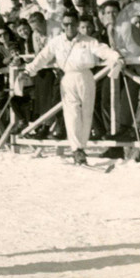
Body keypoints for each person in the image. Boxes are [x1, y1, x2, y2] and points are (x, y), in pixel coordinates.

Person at [22, 10, 123, 165]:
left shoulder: (88, 41)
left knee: (86, 113)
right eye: (66, 24)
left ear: (77, 25)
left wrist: (116, 57)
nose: (69, 27)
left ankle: (82, 145)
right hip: (68, 77)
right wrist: (28, 70)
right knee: (72, 114)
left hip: (86, 77)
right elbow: (43, 57)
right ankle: (77, 149)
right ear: (62, 25)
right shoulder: (57, 41)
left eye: (72, 24)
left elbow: (103, 50)